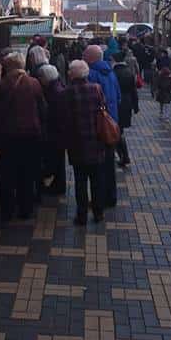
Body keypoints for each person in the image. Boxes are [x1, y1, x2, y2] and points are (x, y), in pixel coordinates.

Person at [0, 52, 46, 222]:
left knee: (7, 174)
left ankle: (7, 209)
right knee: (27, 172)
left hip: (9, 136)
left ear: (8, 67)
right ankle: (26, 208)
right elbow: (42, 109)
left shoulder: (2, 85)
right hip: (31, 135)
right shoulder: (35, 83)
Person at [60, 60, 107, 225]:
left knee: (80, 181)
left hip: (77, 143)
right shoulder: (96, 89)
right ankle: (98, 212)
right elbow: (103, 111)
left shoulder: (67, 92)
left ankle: (81, 215)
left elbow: (64, 119)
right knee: (97, 179)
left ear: (73, 74)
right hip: (96, 140)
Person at [83, 44, 120, 208]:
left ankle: (101, 199)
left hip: (98, 125)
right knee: (109, 163)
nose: (83, 58)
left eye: (85, 55)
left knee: (98, 166)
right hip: (111, 124)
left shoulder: (91, 74)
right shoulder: (111, 73)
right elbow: (118, 96)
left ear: (91, 58)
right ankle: (111, 196)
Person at [37, 64, 67, 195]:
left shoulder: (54, 92)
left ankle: (56, 185)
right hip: (58, 132)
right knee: (58, 160)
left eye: (40, 77)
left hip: (55, 132)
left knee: (55, 160)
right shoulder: (57, 87)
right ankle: (58, 185)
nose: (39, 79)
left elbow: (51, 114)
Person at [112, 52, 138, 167]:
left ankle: (123, 155)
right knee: (119, 129)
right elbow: (134, 90)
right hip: (127, 102)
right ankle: (123, 155)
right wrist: (135, 105)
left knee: (117, 129)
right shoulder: (129, 71)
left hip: (117, 102)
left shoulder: (114, 73)